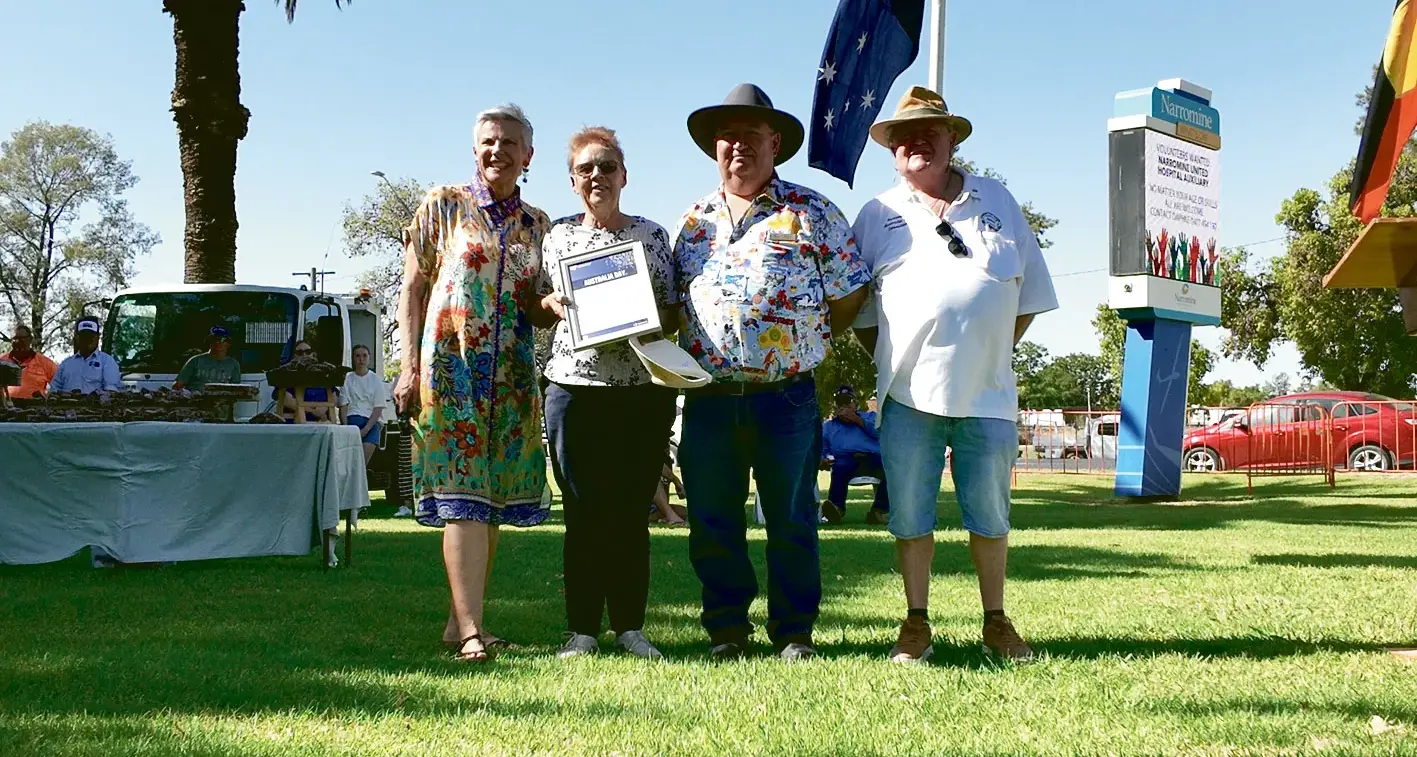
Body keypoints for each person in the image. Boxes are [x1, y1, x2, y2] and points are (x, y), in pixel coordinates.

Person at [852, 87, 1059, 663]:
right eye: (903, 136)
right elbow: (861, 315)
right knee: (910, 517)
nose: (915, 142)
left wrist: (987, 348)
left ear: (952, 140)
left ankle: (996, 621)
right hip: (907, 397)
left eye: (929, 131)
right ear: (891, 150)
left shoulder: (999, 201)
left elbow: (1027, 298)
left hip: (988, 396)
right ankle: (915, 623)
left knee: (991, 517)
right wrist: (895, 358)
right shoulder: (875, 215)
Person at [673, 83, 869, 660]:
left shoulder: (811, 212)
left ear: (775, 143)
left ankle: (793, 631)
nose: (738, 145)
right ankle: (728, 629)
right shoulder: (693, 221)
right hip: (709, 396)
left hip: (787, 397)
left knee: (791, 517)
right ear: (714, 147)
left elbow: (849, 294)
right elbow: (673, 304)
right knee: (713, 518)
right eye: (728, 135)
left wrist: (800, 341)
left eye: (751, 134)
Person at [393, 104, 551, 663]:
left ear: (527, 155)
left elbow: (536, 307)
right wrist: (407, 366)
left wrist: (560, 305)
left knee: (490, 501)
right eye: (488, 141)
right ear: (474, 148)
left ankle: (461, 621)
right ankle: (469, 633)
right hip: (450, 374)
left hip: (510, 380)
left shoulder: (539, 225)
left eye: (509, 143)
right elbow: (412, 289)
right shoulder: (443, 205)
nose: (497, 150)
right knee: (462, 498)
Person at [537, 126, 680, 660]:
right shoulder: (556, 237)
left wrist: (641, 317)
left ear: (624, 175)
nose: (597, 175)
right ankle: (581, 631)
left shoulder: (652, 235)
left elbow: (672, 311)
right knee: (582, 512)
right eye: (586, 169)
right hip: (573, 390)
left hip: (639, 391)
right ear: (573, 181)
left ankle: (630, 628)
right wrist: (550, 305)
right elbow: (536, 305)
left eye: (607, 166)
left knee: (631, 512)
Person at [819, 385, 889, 526]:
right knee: (839, 468)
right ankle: (836, 509)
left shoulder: (870, 417)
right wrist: (823, 459)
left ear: (856, 404)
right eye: (840, 403)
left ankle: (878, 511)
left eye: (848, 402)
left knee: (890, 468)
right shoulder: (829, 426)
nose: (844, 406)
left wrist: (857, 420)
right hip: (844, 459)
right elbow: (822, 448)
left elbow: (882, 434)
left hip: (872, 457)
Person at [339, 344, 386, 465]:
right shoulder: (347, 379)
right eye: (358, 356)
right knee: (349, 462)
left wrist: (366, 429)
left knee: (362, 463)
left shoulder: (376, 380)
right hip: (352, 421)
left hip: (371, 423)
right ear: (353, 358)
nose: (361, 359)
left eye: (364, 356)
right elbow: (343, 405)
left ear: (369, 358)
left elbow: (378, 408)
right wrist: (346, 428)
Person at [50, 317, 122, 395]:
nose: (88, 340)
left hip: (96, 403)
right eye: (84, 337)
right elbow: (54, 391)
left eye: (91, 336)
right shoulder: (65, 365)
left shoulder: (107, 362)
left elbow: (111, 393)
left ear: (98, 337)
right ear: (77, 338)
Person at [275, 341, 338, 423]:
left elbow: (334, 395)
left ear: (313, 354)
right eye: (300, 353)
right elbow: (287, 400)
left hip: (322, 421)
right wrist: (312, 411)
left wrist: (324, 408)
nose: (304, 355)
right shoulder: (287, 373)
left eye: (308, 352)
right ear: (294, 356)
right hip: (295, 421)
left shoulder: (324, 373)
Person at [174, 326, 242, 392]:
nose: (218, 342)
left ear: (228, 344)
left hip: (221, 399)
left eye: (222, 340)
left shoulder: (234, 364)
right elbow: (178, 386)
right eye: (214, 339)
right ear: (209, 342)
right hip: (195, 398)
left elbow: (235, 390)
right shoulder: (195, 360)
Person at [2, 324, 58, 399]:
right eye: (15, 338)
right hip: (7, 405)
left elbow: (60, 385)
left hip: (35, 405)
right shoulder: (2, 361)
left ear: (30, 339)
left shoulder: (45, 363)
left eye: (22, 338)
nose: (18, 341)